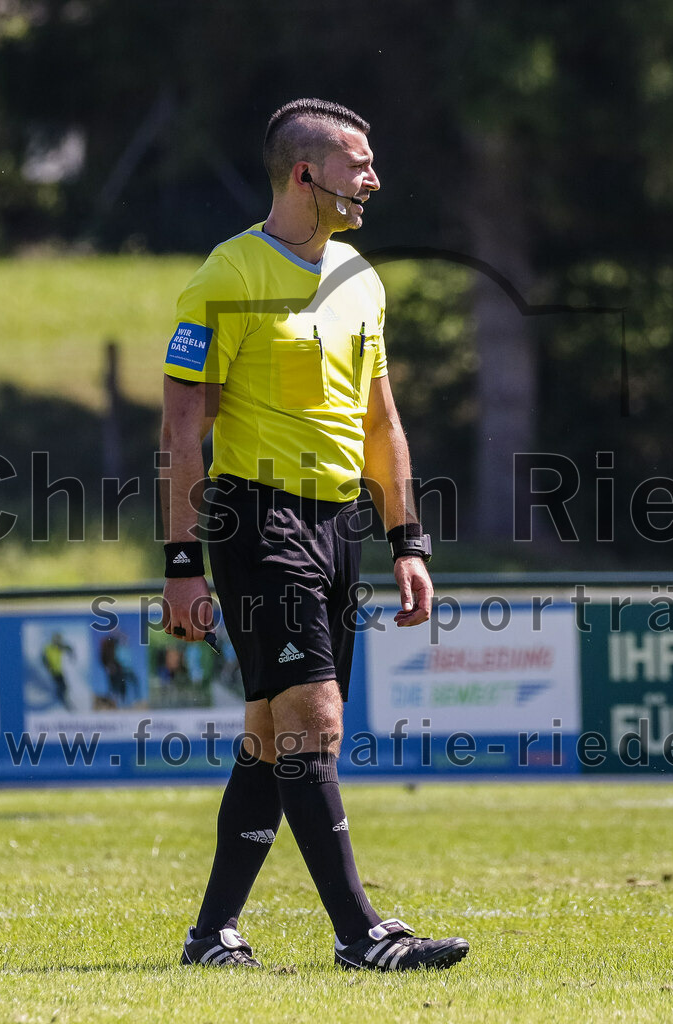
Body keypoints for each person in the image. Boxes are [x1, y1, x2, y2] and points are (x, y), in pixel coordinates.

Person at [160, 98, 469, 972]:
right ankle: (361, 933)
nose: (372, 179)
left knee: (271, 732)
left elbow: (382, 421)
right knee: (314, 720)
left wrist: (409, 540)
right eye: (357, 165)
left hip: (342, 526)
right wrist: (183, 563)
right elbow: (183, 430)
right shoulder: (225, 277)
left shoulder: (363, 279)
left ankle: (210, 934)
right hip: (258, 516)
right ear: (306, 174)